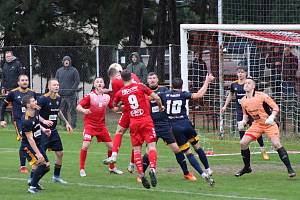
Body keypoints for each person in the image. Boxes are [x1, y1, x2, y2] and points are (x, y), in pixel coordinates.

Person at [159, 75, 215, 187]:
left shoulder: (164, 95)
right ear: (182, 85)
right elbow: (199, 94)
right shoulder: (183, 94)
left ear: (171, 85)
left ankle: (203, 174)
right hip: (186, 124)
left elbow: (151, 97)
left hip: (174, 128)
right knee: (198, 147)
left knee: (188, 153)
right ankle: (208, 169)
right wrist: (207, 81)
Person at [140, 72, 197, 182]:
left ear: (157, 79)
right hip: (151, 125)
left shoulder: (165, 91)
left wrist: (185, 119)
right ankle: (141, 175)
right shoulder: (143, 91)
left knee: (177, 149)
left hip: (165, 125)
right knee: (149, 151)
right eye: (150, 78)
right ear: (147, 80)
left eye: (154, 78)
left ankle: (186, 173)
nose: (152, 80)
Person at [235, 78, 296, 178]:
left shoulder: (262, 96)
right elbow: (245, 115)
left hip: (269, 123)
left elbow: (276, 107)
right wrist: (243, 122)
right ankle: (247, 167)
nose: (246, 84)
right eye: (245, 83)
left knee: (276, 144)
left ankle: (290, 169)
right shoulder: (243, 101)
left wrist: (272, 117)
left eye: (249, 83)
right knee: (243, 143)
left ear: (253, 86)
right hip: (257, 124)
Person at [113, 69, 163, 189]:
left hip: (134, 122)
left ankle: (141, 174)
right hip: (146, 120)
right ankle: (152, 169)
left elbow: (115, 106)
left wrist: (121, 104)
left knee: (136, 149)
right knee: (151, 146)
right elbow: (156, 97)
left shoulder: (120, 92)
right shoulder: (140, 86)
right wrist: (160, 106)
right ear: (131, 76)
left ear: (122, 79)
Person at [76, 77, 123, 177]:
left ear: (104, 84)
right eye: (97, 82)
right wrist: (84, 110)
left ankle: (112, 167)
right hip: (90, 125)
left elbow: (113, 108)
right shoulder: (90, 96)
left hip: (101, 126)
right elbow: (78, 106)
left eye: (101, 82)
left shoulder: (107, 97)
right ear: (94, 84)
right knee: (85, 145)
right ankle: (82, 169)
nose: (99, 83)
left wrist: (120, 106)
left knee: (112, 147)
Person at [220, 66, 269, 160]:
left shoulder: (249, 84)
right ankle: (245, 151)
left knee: (256, 130)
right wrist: (225, 106)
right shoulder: (234, 84)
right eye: (239, 72)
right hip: (240, 110)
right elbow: (231, 94)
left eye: (242, 72)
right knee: (241, 129)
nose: (240, 74)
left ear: (246, 73)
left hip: (251, 110)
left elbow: (257, 95)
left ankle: (263, 150)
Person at [103, 66, 140, 173]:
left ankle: (114, 155)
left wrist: (115, 105)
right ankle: (132, 164)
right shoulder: (133, 76)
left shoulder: (115, 81)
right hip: (139, 111)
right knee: (137, 139)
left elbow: (117, 101)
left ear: (111, 76)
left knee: (119, 132)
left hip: (128, 110)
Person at [37, 79, 73, 184]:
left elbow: (58, 111)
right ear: (49, 86)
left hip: (53, 131)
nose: (57, 86)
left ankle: (56, 177)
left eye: (58, 85)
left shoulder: (58, 98)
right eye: (54, 85)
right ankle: (33, 178)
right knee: (41, 157)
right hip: (43, 131)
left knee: (60, 153)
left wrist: (66, 123)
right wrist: (44, 121)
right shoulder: (42, 99)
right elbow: (35, 114)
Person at [0, 74, 37, 174]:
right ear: (18, 82)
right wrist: (2, 119)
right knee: (24, 141)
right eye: (22, 80)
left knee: (31, 140)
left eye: (26, 80)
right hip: (19, 121)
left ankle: (34, 160)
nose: (25, 82)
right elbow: (3, 106)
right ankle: (24, 165)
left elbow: (36, 106)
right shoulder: (13, 93)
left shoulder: (32, 93)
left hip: (30, 120)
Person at [21, 94, 50, 194]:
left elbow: (37, 124)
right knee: (41, 163)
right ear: (28, 105)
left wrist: (44, 129)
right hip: (28, 146)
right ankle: (32, 187)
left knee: (47, 166)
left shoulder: (36, 112)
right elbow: (30, 139)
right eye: (33, 101)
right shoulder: (26, 121)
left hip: (37, 144)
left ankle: (34, 182)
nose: (35, 102)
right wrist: (38, 153)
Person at [55, 56, 80, 129]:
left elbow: (77, 81)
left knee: (72, 111)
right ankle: (65, 125)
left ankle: (73, 125)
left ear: (70, 61)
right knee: (62, 111)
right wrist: (58, 91)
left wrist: (72, 90)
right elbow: (56, 81)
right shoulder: (59, 71)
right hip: (61, 95)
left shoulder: (74, 70)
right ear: (63, 62)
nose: (66, 61)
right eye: (65, 60)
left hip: (71, 96)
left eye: (68, 60)